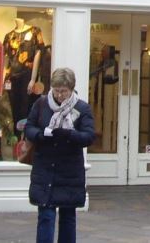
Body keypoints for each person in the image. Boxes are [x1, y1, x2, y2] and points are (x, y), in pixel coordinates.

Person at [24, 67, 95, 243]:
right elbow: (29, 127)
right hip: (45, 168)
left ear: (71, 89)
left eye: (64, 91)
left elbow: (88, 136)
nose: (60, 95)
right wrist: (40, 135)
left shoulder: (82, 108)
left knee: (68, 216)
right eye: (56, 90)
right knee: (46, 215)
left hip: (69, 170)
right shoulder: (41, 104)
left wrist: (70, 135)